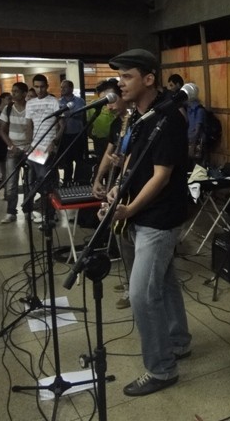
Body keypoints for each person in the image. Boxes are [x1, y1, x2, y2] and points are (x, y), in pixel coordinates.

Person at [103, 48, 191, 396]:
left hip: (160, 217)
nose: (120, 83)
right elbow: (130, 160)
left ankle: (162, 369)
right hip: (141, 212)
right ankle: (178, 341)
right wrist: (118, 191)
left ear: (149, 78)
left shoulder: (168, 119)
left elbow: (161, 176)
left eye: (127, 76)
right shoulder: (139, 117)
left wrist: (130, 209)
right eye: (119, 77)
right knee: (165, 282)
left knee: (142, 294)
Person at [90, 79, 135, 310]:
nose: (108, 105)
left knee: (129, 239)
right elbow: (109, 154)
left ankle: (133, 288)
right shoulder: (118, 123)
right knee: (120, 237)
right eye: (105, 101)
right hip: (117, 185)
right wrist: (98, 179)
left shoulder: (137, 121)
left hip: (132, 188)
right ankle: (129, 280)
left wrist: (124, 161)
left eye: (111, 99)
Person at [25, 74, 63, 211]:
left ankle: (48, 210)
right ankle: (42, 207)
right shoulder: (30, 103)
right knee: (34, 179)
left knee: (45, 177)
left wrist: (54, 142)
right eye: (36, 87)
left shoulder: (53, 101)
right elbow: (29, 125)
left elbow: (62, 125)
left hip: (48, 146)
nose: (39, 90)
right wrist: (29, 144)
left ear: (47, 86)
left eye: (42, 87)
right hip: (35, 146)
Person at [0, 82, 30, 223]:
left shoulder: (30, 108)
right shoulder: (8, 108)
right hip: (13, 150)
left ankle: (28, 210)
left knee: (29, 182)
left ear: (24, 94)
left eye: (16, 91)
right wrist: (11, 146)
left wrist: (30, 145)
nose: (13, 94)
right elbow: (2, 130)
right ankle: (11, 212)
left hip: (29, 149)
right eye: (13, 91)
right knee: (11, 184)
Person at [57, 80, 87, 186]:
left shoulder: (80, 101)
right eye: (61, 87)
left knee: (79, 160)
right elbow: (58, 116)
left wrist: (65, 112)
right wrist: (70, 113)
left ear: (71, 88)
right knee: (67, 160)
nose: (62, 89)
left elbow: (80, 113)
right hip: (65, 135)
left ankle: (79, 181)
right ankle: (67, 181)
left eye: (64, 87)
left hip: (78, 134)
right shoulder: (59, 102)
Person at [88, 79, 118, 163]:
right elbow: (88, 122)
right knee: (101, 160)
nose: (109, 106)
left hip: (114, 139)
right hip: (99, 140)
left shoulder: (115, 105)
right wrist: (92, 135)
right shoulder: (93, 105)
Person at [185, 83, 207, 168]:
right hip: (190, 140)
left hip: (197, 142)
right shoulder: (188, 109)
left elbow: (197, 130)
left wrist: (192, 145)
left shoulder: (199, 110)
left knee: (198, 166)